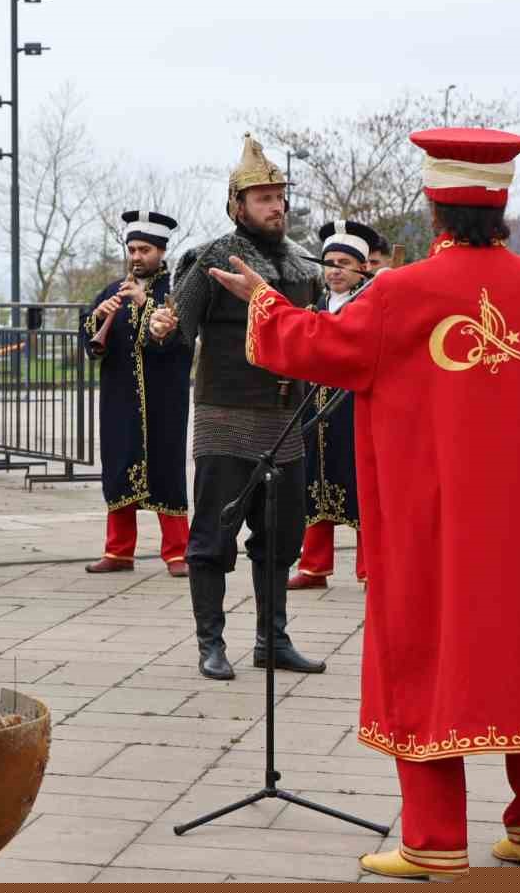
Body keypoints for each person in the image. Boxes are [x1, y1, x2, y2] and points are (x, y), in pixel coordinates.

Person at [214, 126, 520, 879]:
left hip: (438, 527)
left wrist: (265, 301)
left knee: (428, 660)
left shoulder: (398, 294)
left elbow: (316, 346)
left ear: (436, 207)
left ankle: (435, 839)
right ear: (500, 207)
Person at [148, 135, 325, 681]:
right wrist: (163, 326)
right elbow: (178, 331)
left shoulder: (304, 267)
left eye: (279, 196)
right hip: (225, 415)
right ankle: (211, 644)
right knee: (213, 535)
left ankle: (272, 639)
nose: (275, 206)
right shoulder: (209, 260)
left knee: (281, 535)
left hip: (285, 419)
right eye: (263, 197)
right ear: (238, 206)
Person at [81, 211, 191, 577]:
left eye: (144, 249)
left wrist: (145, 304)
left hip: (164, 400)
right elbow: (91, 348)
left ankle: (177, 553)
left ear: (161, 251)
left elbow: (176, 342)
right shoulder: (112, 291)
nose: (136, 256)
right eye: (132, 249)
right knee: (118, 467)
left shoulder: (178, 291)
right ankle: (118, 551)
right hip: (119, 399)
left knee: (167, 469)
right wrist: (97, 319)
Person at [288, 220, 382, 591]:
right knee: (314, 481)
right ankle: (314, 565)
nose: (335, 270)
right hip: (314, 409)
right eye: (329, 262)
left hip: (354, 409)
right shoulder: (313, 306)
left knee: (360, 484)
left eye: (345, 262)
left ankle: (369, 568)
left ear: (362, 267)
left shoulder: (371, 306)